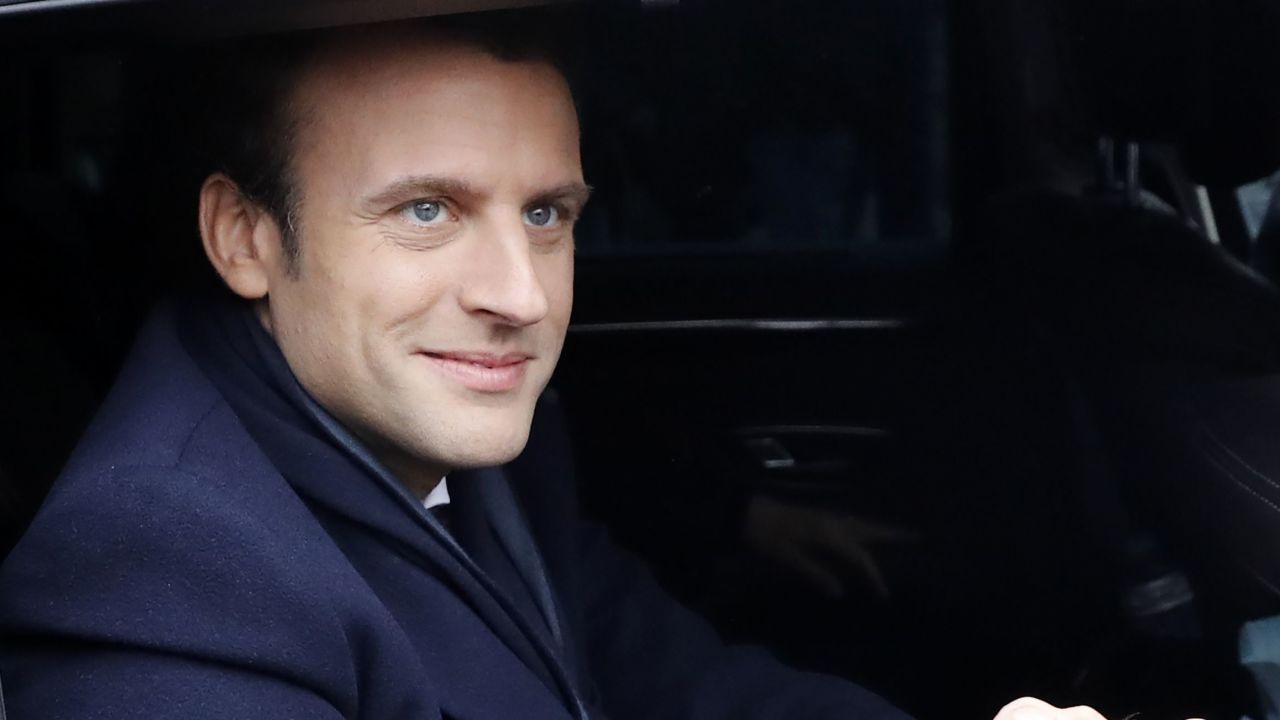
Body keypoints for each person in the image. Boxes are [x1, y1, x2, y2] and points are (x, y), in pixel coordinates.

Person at [0, 11, 1144, 720]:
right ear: (246, 238)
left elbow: (667, 680)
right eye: (426, 211)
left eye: (546, 211)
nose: (521, 293)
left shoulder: (464, 433)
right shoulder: (164, 583)